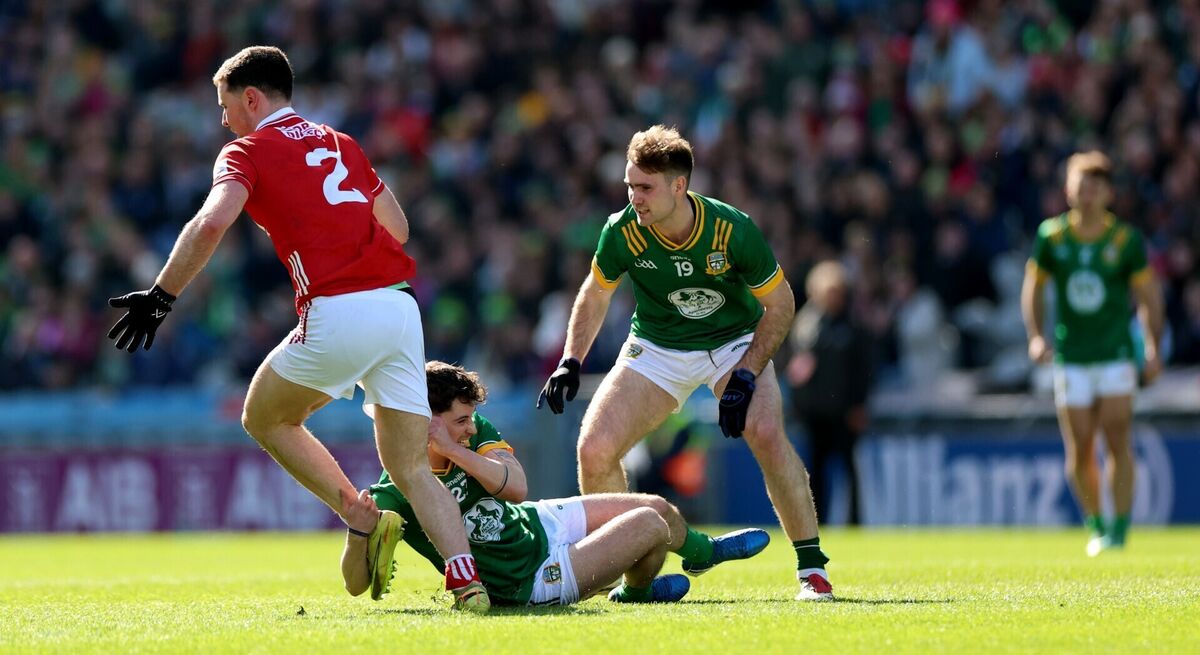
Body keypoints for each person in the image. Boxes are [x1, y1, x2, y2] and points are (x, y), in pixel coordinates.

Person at [105, 46, 488, 611]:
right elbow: (400, 229)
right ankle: (468, 583)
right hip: (399, 307)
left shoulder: (245, 151)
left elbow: (212, 222)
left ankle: (357, 513)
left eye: (226, 104)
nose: (223, 119)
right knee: (410, 467)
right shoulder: (342, 142)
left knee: (263, 415)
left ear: (252, 98)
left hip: (338, 308)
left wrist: (161, 297)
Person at [537, 125, 834, 600]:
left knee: (765, 433)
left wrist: (746, 372)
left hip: (735, 342)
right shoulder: (623, 231)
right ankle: (634, 580)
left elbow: (781, 305)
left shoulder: (731, 229)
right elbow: (595, 295)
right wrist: (570, 360)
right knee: (594, 449)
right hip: (658, 347)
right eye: (631, 186)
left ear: (680, 186)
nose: (636, 198)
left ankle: (812, 571)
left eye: (646, 188)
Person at [342, 361, 770, 606]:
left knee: (656, 505)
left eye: (471, 418)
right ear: (427, 421)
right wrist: (357, 533)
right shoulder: (397, 488)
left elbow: (515, 488)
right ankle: (635, 593)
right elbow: (357, 586)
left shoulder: (469, 437)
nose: (472, 427)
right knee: (649, 527)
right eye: (460, 421)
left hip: (535, 521)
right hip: (528, 579)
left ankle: (700, 554)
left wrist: (454, 450)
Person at [1021, 150, 1163, 556]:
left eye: (1096, 186)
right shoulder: (1052, 237)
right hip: (1072, 356)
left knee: (1117, 436)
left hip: (1115, 354)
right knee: (1080, 446)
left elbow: (1149, 296)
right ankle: (1096, 523)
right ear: (1068, 190)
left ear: (1108, 193)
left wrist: (1152, 345)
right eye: (1081, 185)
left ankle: (1119, 528)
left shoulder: (1124, 240)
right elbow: (1033, 288)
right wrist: (1035, 335)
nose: (1088, 194)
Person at [787, 261, 873, 525]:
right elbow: (797, 369)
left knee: (849, 471)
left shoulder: (853, 327)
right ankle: (818, 521)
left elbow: (864, 369)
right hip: (816, 413)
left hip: (845, 412)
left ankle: (854, 521)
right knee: (816, 473)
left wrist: (860, 404)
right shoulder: (806, 325)